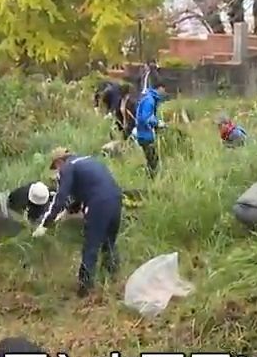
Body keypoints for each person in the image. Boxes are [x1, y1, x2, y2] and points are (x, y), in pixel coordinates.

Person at [33, 148, 123, 296]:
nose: (57, 171)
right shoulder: (88, 160)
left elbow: (61, 197)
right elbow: (89, 187)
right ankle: (112, 281)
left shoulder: (67, 168)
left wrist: (45, 224)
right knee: (109, 242)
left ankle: (85, 289)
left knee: (91, 245)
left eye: (55, 167)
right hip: (116, 198)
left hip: (98, 203)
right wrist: (70, 209)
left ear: (59, 161)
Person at [133, 81, 166, 177]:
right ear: (159, 88)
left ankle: (151, 178)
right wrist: (157, 123)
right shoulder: (150, 100)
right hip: (145, 134)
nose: (164, 92)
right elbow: (146, 117)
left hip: (144, 133)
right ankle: (152, 180)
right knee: (153, 161)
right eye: (164, 89)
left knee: (151, 159)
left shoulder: (149, 98)